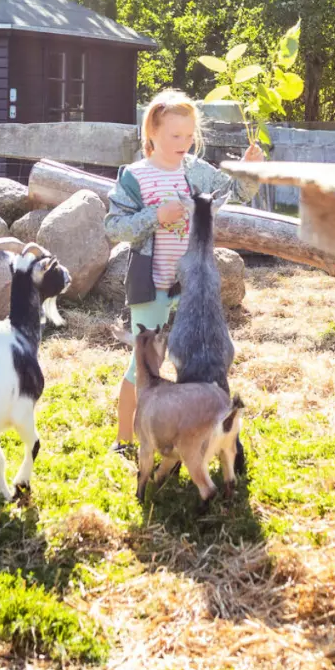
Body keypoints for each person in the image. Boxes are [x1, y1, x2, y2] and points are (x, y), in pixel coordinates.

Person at [104, 89, 264, 452]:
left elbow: (237, 191)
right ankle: (124, 440)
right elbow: (114, 227)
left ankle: (192, 432)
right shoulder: (135, 177)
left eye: (190, 135)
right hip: (153, 285)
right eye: (175, 136)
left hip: (192, 289)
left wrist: (250, 168)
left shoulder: (195, 171)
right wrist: (156, 216)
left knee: (197, 361)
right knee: (143, 367)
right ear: (152, 132)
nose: (184, 143)